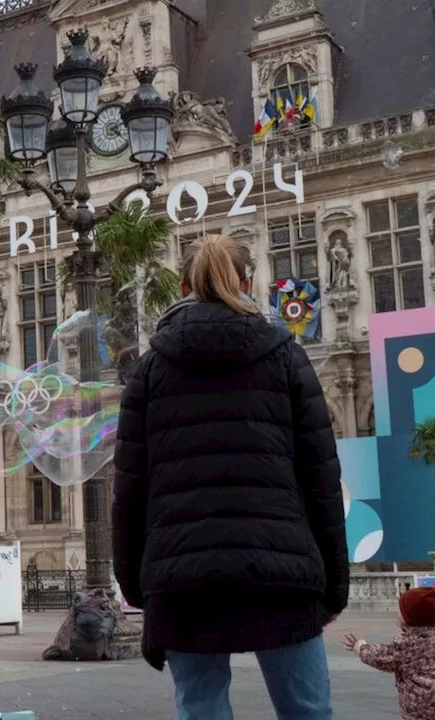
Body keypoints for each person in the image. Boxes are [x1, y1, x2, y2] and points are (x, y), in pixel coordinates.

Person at [112, 235, 347, 720]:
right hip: (281, 571)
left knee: (200, 708)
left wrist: (136, 580)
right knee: (306, 709)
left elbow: (131, 490)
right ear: (248, 282)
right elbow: (320, 478)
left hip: (182, 576)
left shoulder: (150, 370)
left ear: (183, 285)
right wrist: (334, 581)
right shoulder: (287, 357)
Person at [345, 587, 435, 719]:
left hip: (419, 711)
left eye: (400, 610)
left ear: (409, 617)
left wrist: (360, 646)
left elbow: (378, 656)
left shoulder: (404, 646)